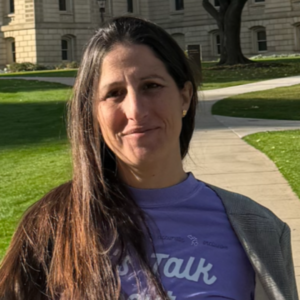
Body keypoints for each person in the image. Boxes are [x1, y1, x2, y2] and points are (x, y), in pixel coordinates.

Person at [0, 16, 298, 300]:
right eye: (114, 93)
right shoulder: (51, 224)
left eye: (151, 86)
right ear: (93, 111)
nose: (136, 111)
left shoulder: (258, 229)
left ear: (185, 96)